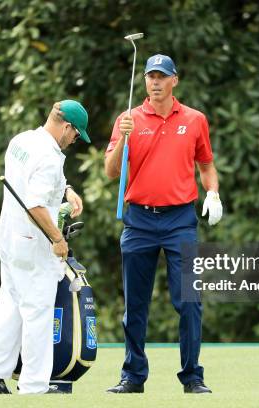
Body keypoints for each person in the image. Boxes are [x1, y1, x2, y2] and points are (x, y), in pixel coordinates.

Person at [104, 54, 222, 394]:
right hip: (138, 219)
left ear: (174, 80)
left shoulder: (195, 120)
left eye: (161, 76)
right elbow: (111, 172)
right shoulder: (127, 119)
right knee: (135, 303)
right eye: (149, 76)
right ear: (144, 81)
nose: (154, 82)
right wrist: (123, 138)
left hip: (180, 220)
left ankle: (192, 377)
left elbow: (206, 165)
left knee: (189, 301)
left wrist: (212, 192)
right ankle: (133, 376)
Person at [0, 100, 91, 395]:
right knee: (38, 312)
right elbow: (35, 206)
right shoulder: (49, 158)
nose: (75, 141)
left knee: (11, 302)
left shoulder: (23, 140)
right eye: (77, 135)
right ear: (67, 127)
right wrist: (58, 238)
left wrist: (67, 189)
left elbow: (40, 183)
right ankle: (34, 387)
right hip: (33, 242)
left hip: (8, 237)